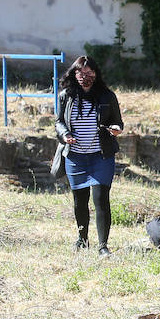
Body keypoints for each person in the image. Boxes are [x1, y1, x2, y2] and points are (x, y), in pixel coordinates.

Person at [55, 55, 123, 256]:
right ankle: (82, 239)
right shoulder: (66, 96)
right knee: (79, 201)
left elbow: (118, 122)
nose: (85, 76)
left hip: (101, 156)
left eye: (89, 72)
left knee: (101, 199)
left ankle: (103, 246)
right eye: (81, 72)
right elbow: (59, 121)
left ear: (96, 73)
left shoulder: (107, 96)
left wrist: (116, 129)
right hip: (75, 157)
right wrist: (65, 134)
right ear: (74, 74)